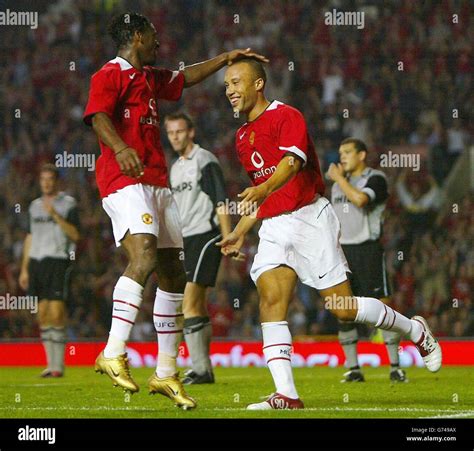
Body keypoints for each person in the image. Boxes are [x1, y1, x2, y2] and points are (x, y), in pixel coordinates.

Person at [218, 58, 442, 410]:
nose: (229, 90)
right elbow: (264, 192)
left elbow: (291, 165)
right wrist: (241, 231)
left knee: (342, 309)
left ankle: (415, 330)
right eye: (227, 85)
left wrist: (261, 192)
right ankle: (287, 395)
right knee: (271, 301)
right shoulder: (242, 136)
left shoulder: (286, 115)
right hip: (275, 226)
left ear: (258, 83)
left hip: (310, 218)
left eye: (235, 82)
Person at [83, 12, 267, 410]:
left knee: (173, 275)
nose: (158, 41)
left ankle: (166, 373)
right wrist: (120, 147)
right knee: (145, 255)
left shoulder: (149, 76)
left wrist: (225, 58)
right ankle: (112, 351)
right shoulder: (108, 74)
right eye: (151, 35)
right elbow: (98, 117)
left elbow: (186, 79)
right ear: (135, 36)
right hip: (124, 179)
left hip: (157, 183)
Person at [328, 138, 407, 383]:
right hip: (342, 253)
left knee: (383, 308)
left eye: (348, 152)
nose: (342, 157)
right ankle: (353, 369)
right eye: (340, 152)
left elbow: (362, 200)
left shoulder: (375, 178)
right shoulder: (337, 186)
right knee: (343, 311)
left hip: (368, 250)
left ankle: (396, 367)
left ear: (362, 155)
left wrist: (339, 179)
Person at [166, 112, 232, 384]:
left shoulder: (204, 160)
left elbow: (221, 199)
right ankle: (203, 368)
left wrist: (228, 237)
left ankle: (201, 370)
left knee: (190, 302)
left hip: (207, 235)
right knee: (195, 305)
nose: (175, 137)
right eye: (170, 133)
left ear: (191, 132)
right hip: (185, 240)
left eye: (179, 131)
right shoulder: (175, 167)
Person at [19, 164, 80, 378]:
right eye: (43, 179)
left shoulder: (68, 204)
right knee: (42, 314)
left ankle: (59, 365)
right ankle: (50, 365)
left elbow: (75, 235)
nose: (46, 183)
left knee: (56, 312)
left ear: (56, 181)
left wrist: (54, 214)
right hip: (36, 262)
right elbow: (30, 236)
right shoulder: (34, 206)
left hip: (58, 261)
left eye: (50, 179)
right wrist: (24, 269)